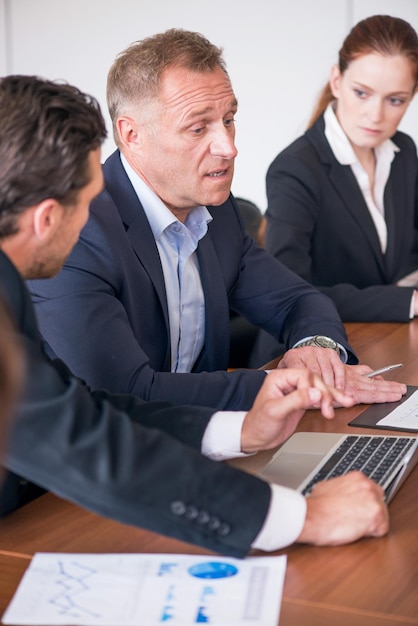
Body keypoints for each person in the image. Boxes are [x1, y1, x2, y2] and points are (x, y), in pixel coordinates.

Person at [0, 74, 394, 556]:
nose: (91, 216)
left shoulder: (8, 289)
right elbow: (79, 441)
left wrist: (240, 430)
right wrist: (301, 516)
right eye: (85, 204)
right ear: (44, 219)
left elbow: (77, 406)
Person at [28, 28, 406, 410]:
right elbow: (122, 395)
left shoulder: (217, 211)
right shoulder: (79, 229)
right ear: (131, 134)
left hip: (210, 442)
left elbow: (299, 299)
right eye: (198, 127)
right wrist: (281, 387)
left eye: (228, 119)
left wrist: (317, 348)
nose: (229, 147)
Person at [263, 14, 418, 324]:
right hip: (314, 347)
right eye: (362, 93)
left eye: (395, 100)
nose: (375, 115)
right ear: (337, 82)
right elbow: (288, 291)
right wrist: (406, 301)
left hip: (386, 337)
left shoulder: (403, 152)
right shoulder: (296, 169)